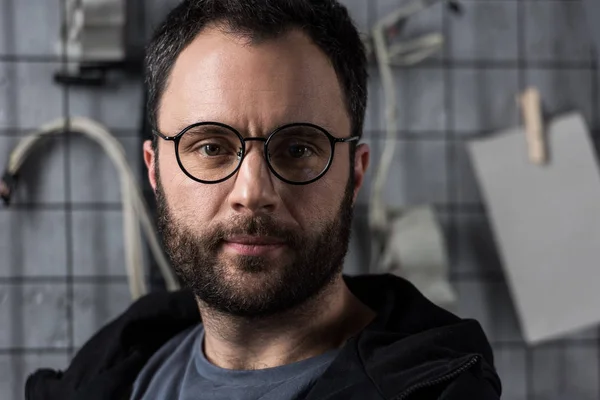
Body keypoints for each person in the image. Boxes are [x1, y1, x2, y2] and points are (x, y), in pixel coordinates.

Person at [26, 1, 502, 399]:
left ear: (355, 174)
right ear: (154, 169)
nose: (253, 193)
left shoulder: (436, 389)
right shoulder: (114, 369)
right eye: (211, 148)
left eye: (297, 150)